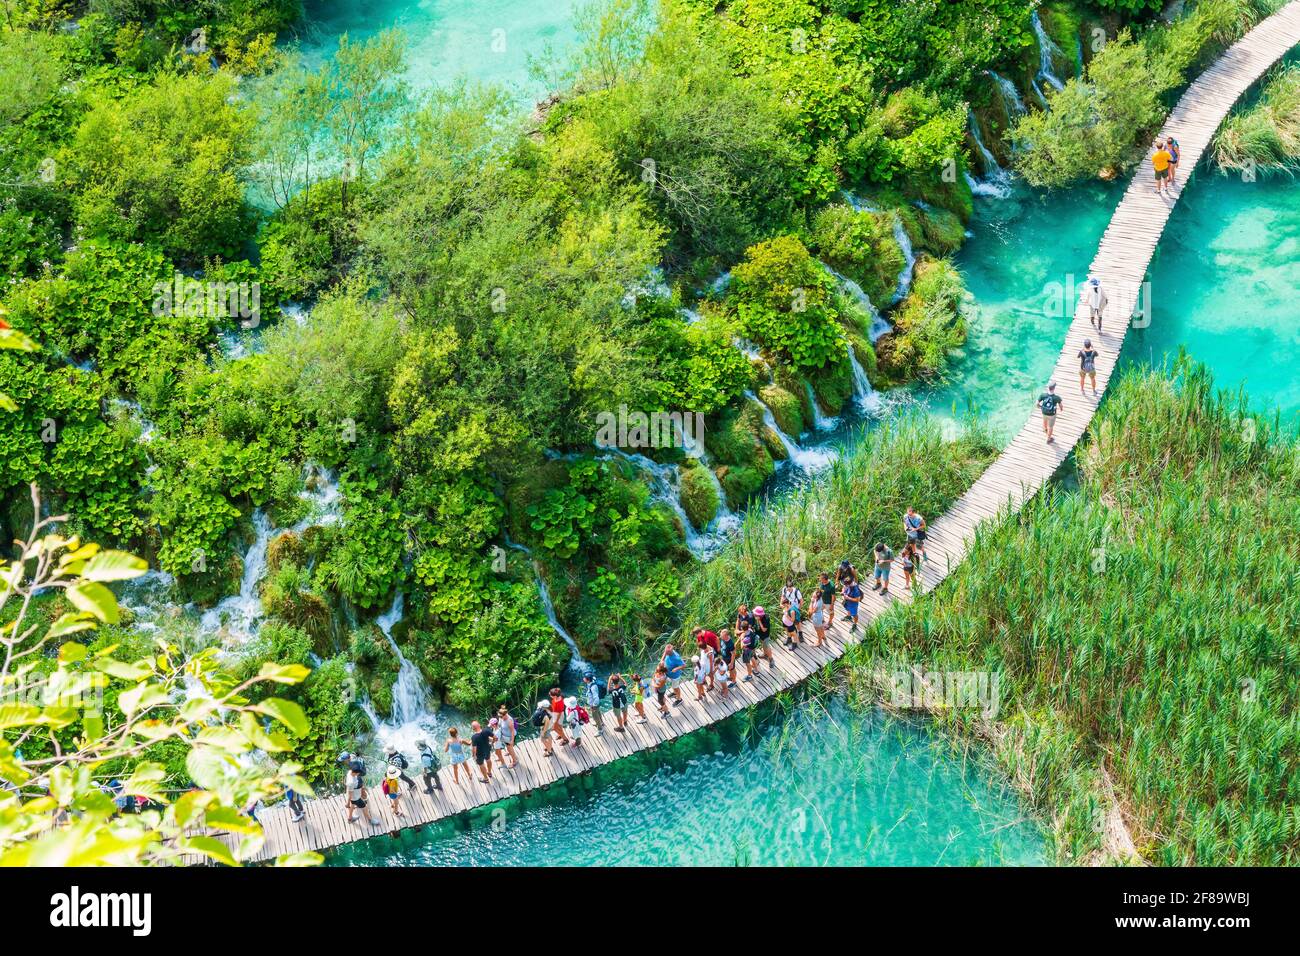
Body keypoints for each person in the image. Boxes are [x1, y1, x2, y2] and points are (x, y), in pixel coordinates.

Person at [344, 760, 379, 826]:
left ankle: (350, 818)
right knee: (364, 807)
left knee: (352, 805)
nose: (359, 774)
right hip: (355, 798)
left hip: (354, 796)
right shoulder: (351, 782)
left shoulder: (349, 772)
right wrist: (347, 802)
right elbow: (350, 793)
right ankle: (370, 820)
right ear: (356, 772)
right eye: (358, 773)